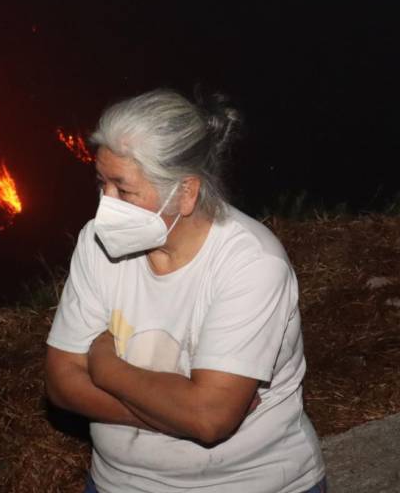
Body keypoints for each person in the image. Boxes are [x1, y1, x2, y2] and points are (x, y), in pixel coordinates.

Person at [45, 89, 326, 492]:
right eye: (101, 183)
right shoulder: (96, 244)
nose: (105, 205)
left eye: (124, 190)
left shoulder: (250, 264)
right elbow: (61, 382)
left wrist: (107, 369)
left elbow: (209, 417)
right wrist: (175, 415)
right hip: (119, 484)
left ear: (186, 192)